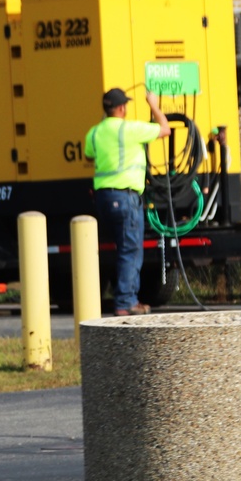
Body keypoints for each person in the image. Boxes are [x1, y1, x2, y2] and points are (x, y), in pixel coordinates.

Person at [84, 87, 171, 316]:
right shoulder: (130, 129)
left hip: (103, 198)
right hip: (126, 197)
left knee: (123, 249)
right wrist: (153, 104)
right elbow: (165, 129)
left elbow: (88, 154)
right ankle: (125, 302)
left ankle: (125, 297)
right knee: (130, 250)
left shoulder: (94, 132)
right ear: (122, 108)